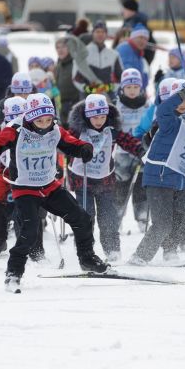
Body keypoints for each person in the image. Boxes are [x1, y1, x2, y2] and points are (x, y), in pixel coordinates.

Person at [0, 93, 109, 293]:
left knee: (81, 218)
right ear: (30, 118)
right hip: (25, 189)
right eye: (40, 120)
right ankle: (13, 273)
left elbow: (71, 142)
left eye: (49, 119)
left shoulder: (55, 130)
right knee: (29, 232)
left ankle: (87, 258)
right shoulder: (16, 129)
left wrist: (84, 148)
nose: (45, 124)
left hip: (49, 186)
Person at [129, 87, 185, 265]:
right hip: (159, 180)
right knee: (163, 224)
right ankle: (139, 257)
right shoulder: (175, 125)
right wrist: (180, 96)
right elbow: (162, 110)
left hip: (178, 185)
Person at [67, 94, 144, 262]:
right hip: (83, 179)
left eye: (103, 116)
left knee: (108, 217)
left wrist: (139, 150)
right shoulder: (77, 130)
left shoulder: (111, 130)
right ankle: (85, 250)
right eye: (95, 117)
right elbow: (64, 143)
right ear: (87, 115)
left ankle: (112, 250)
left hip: (105, 181)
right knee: (86, 216)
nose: (99, 121)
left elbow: (127, 140)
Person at [0, 96, 27, 257]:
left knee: (25, 201)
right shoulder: (1, 128)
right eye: (10, 117)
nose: (14, 121)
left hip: (26, 172)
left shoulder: (32, 128)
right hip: (4, 171)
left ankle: (28, 241)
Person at [114, 69, 150, 233]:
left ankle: (142, 217)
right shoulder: (117, 105)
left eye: (136, 86)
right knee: (121, 185)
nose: (132, 90)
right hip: (123, 153)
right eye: (128, 87)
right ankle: (117, 218)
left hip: (142, 151)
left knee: (141, 187)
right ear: (122, 88)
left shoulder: (147, 105)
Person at [72, 21, 123, 101]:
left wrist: (110, 87)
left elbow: (121, 77)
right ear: (92, 33)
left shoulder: (114, 55)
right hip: (87, 98)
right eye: (97, 32)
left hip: (108, 97)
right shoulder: (82, 54)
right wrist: (87, 88)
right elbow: (76, 78)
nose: (100, 34)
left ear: (106, 34)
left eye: (103, 32)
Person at [122, 0, 156, 64]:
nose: (122, 12)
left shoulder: (134, 24)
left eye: (124, 9)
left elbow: (150, 44)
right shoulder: (128, 22)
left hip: (136, 60)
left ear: (130, 10)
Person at [116, 24, 150, 89]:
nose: (143, 41)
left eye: (145, 39)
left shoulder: (138, 52)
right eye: (140, 37)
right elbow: (128, 74)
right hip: (126, 91)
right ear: (133, 37)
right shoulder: (125, 49)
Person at [54, 37, 78, 126]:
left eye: (63, 47)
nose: (60, 50)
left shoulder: (75, 63)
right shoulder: (58, 65)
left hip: (75, 104)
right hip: (62, 106)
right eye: (58, 47)